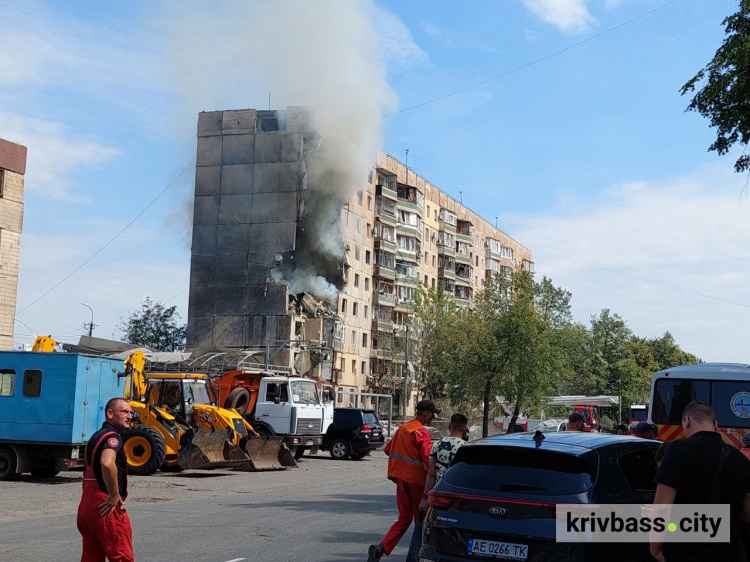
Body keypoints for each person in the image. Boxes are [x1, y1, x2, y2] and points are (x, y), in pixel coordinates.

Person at [650, 401, 750, 562]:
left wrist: (655, 548)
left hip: (684, 551)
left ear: (686, 421)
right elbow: (746, 512)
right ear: (715, 424)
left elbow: (662, 508)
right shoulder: (738, 458)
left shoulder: (677, 450)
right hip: (726, 552)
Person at [368, 400, 439, 562]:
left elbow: (388, 449)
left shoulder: (403, 429)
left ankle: (381, 548)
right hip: (417, 482)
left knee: (404, 518)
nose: (433, 417)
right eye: (432, 414)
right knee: (420, 521)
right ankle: (415, 558)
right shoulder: (421, 432)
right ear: (426, 413)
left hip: (401, 479)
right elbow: (427, 460)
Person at [77, 397, 135, 562]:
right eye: (124, 411)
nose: (129, 416)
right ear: (110, 413)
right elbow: (107, 463)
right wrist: (114, 494)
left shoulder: (96, 437)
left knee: (91, 556)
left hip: (87, 507)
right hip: (105, 506)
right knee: (122, 556)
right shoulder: (113, 438)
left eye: (131, 412)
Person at [405, 413, 469, 562]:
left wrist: (425, 498)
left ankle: (414, 558)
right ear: (465, 428)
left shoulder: (438, 445)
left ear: (449, 426)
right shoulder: (467, 449)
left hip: (439, 497)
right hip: (458, 499)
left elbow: (431, 474)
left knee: (424, 528)